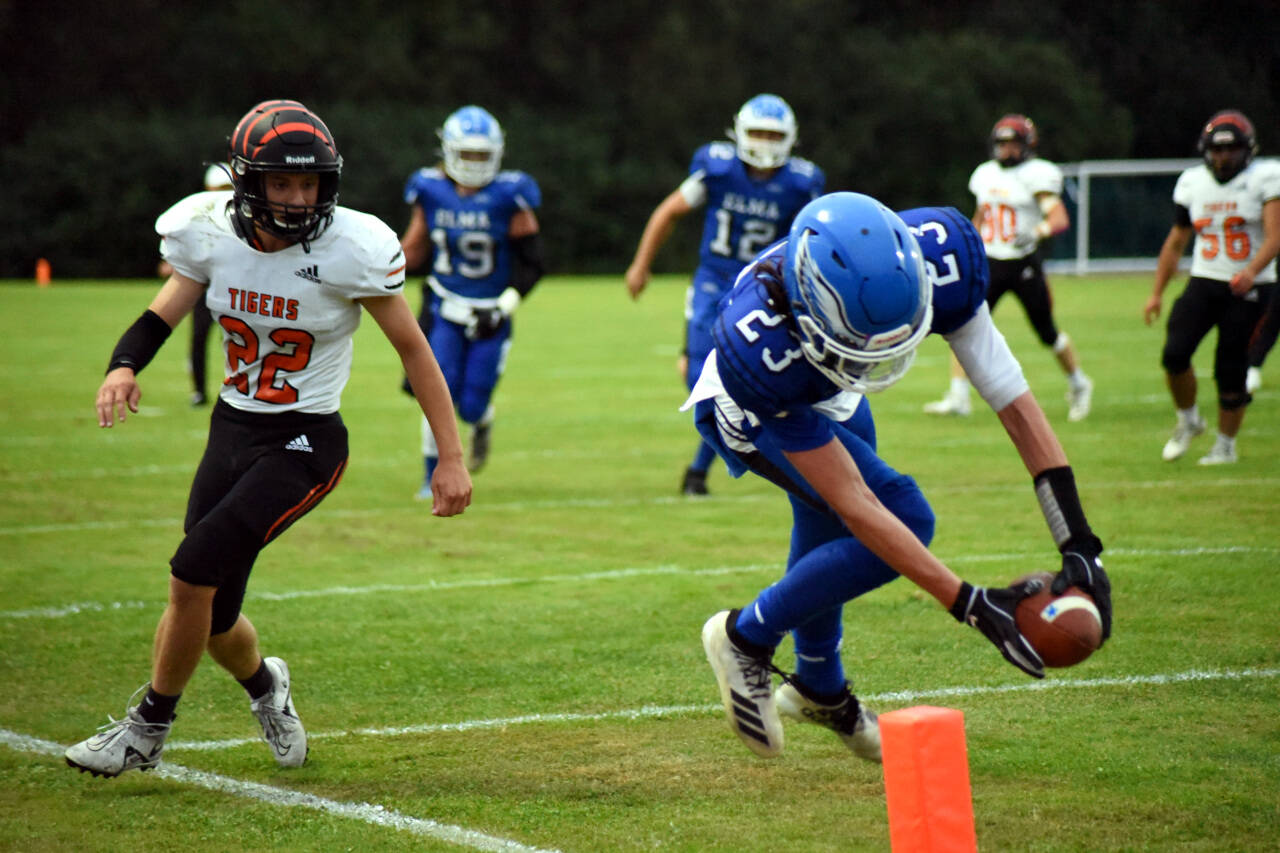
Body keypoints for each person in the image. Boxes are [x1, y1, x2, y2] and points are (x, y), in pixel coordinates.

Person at [65, 100, 472, 778]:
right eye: (281, 183)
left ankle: (147, 729)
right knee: (214, 615)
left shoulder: (351, 248)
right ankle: (266, 687)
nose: (297, 197)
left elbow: (414, 349)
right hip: (231, 428)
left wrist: (450, 457)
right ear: (248, 181)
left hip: (305, 442)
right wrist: (123, 364)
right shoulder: (209, 233)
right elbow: (163, 311)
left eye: (309, 183)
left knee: (191, 569)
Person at [684, 192, 1110, 761]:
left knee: (834, 529)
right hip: (755, 406)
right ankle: (744, 637)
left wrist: (1079, 541)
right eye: (864, 341)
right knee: (900, 514)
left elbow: (1013, 402)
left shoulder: (944, 257)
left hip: (833, 388)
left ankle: (818, 685)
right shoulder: (759, 344)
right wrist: (970, 603)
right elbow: (857, 502)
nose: (880, 353)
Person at [626, 94, 825, 495]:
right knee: (700, 380)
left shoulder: (801, 183)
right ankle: (709, 463)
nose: (766, 143)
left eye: (774, 135)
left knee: (740, 385)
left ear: (790, 139)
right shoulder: (717, 169)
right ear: (739, 134)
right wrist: (641, 264)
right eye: (758, 134)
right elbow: (667, 212)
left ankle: (698, 472)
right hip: (713, 282)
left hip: (764, 289)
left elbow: (814, 238)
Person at [400, 105, 544, 499]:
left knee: (471, 405)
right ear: (449, 151)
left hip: (492, 312)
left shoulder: (509, 195)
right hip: (445, 306)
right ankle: (431, 475)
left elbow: (534, 263)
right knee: (437, 391)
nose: (475, 164)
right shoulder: (429, 190)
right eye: (468, 155)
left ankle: (482, 421)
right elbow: (413, 247)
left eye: (482, 155)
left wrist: (504, 307)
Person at [924, 114, 1093, 422]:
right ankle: (959, 396)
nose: (1005, 150)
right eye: (1001, 143)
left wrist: (1038, 231)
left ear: (1027, 145)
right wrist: (967, 244)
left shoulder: (1037, 174)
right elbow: (980, 216)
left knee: (1047, 333)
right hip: (989, 262)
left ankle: (1079, 384)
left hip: (1023, 263)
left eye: (1012, 143)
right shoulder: (985, 174)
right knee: (961, 322)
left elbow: (1059, 219)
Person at [1144, 109, 1280, 464]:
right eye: (1218, 150)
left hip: (1250, 287)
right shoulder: (1192, 182)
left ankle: (1226, 446)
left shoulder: (1266, 177)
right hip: (1205, 280)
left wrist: (1251, 270)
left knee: (1230, 369)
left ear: (1247, 149)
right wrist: (1156, 292)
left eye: (1231, 149)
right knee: (1174, 353)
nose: (1223, 157)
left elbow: (1275, 236)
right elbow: (1176, 242)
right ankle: (1189, 421)